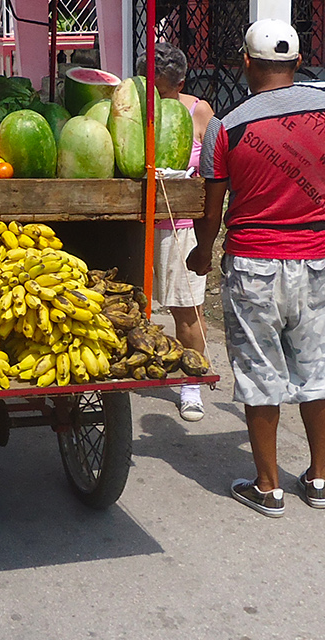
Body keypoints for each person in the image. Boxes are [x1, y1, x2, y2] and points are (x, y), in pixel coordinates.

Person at [187, 19, 325, 518]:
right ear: (296, 63)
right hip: (315, 261)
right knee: (319, 371)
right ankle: (318, 477)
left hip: (252, 265)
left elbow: (211, 212)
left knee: (260, 374)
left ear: (245, 63)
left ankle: (268, 487)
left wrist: (201, 254)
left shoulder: (226, 128)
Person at [138, 41, 215, 422]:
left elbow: (216, 170)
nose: (157, 97)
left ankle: (192, 384)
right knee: (131, 305)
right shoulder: (131, 106)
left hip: (180, 224)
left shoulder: (199, 111)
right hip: (136, 221)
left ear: (180, 83)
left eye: (165, 91)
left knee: (187, 310)